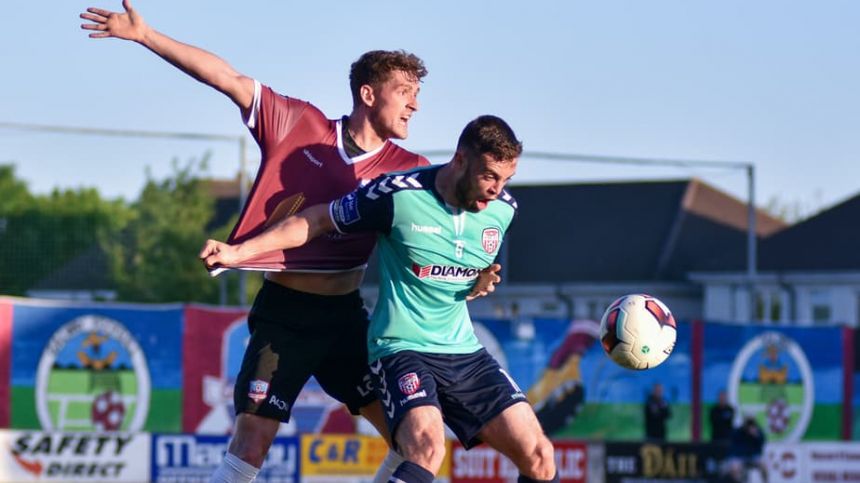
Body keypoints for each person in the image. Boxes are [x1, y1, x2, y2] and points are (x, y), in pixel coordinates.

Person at [81, 2, 500, 482]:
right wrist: (145, 35)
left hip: (348, 320)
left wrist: (474, 274)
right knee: (252, 441)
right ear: (368, 93)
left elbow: (447, 234)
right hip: (285, 316)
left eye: (418, 94)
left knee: (415, 440)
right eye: (405, 91)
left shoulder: (409, 168)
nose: (415, 104)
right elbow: (227, 78)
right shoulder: (299, 125)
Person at [201, 115, 559, 482]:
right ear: (461, 159)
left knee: (540, 457)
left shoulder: (503, 210)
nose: (496, 189)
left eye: (505, 180)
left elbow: (469, 260)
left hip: (463, 352)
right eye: (489, 176)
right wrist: (239, 252)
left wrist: (479, 280)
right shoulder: (397, 194)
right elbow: (319, 220)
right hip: (402, 348)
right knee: (426, 448)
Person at [724, 415, 768, 483]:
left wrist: (756, 436)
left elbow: (761, 445)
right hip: (740, 456)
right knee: (735, 468)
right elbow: (733, 446)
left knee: (764, 465)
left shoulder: (758, 431)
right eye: (748, 423)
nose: (750, 426)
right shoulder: (738, 431)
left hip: (753, 456)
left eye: (752, 423)